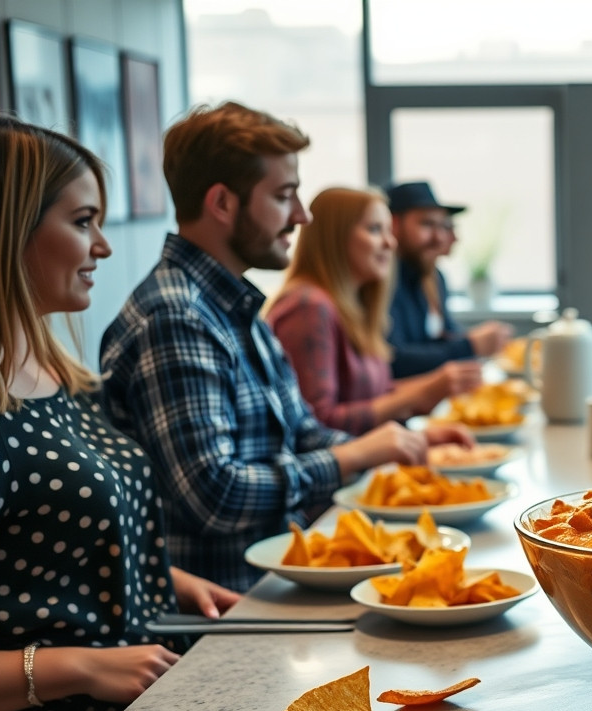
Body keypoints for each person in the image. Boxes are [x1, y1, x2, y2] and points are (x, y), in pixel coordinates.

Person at [0, 114, 239, 711]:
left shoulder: (55, 373)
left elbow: (40, 545)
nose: (103, 246)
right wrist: (79, 665)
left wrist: (153, 574)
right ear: (1, 229)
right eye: (83, 220)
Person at [99, 102, 471, 593]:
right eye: (283, 196)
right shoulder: (177, 318)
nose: (302, 215)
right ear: (223, 204)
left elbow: (301, 433)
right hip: (233, 608)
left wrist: (402, 444)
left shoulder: (235, 307)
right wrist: (351, 457)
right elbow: (215, 494)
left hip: (278, 585)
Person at [267, 187, 483, 434]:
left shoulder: (350, 306)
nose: (390, 243)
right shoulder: (309, 307)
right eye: (374, 230)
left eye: (388, 231)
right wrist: (420, 393)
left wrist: (434, 394)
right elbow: (316, 425)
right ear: (335, 238)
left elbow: (374, 393)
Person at [385, 181, 513, 378]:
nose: (439, 238)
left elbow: (445, 335)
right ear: (393, 224)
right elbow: (392, 359)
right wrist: (469, 345)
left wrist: (479, 339)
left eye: (443, 226)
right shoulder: (383, 283)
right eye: (427, 224)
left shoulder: (434, 279)